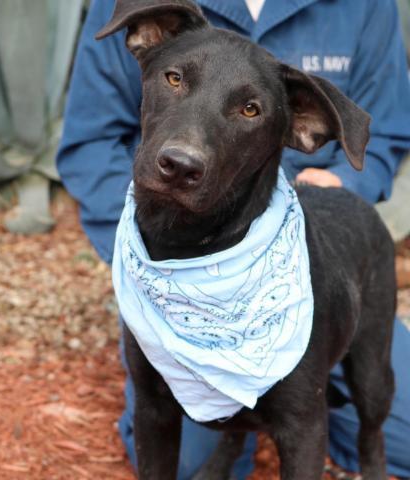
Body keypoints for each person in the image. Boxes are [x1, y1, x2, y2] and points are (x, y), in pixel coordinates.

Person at [57, 1, 410, 478]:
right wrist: (144, 257)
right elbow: (89, 142)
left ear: (302, 126)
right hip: (162, 281)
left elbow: (381, 132)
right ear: (146, 37)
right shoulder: (161, 19)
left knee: (375, 407)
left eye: (249, 109)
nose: (185, 152)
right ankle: (233, 439)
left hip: (296, 245)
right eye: (177, 80)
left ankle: (364, 446)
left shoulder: (365, 6)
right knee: (185, 460)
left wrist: (353, 187)